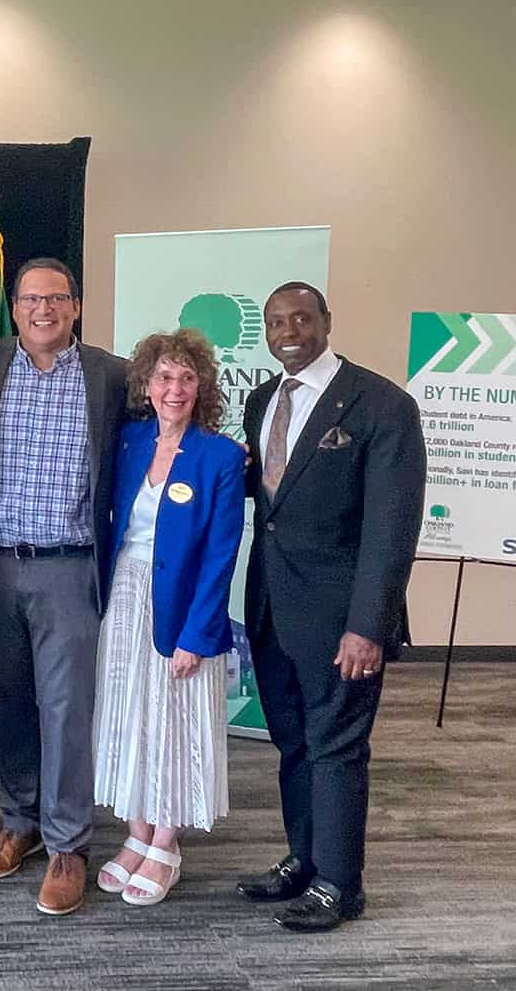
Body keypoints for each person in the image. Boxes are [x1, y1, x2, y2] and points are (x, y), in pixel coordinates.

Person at [236, 281, 426, 932]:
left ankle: (340, 883)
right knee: (294, 743)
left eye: (300, 317)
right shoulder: (262, 400)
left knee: (337, 747)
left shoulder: (381, 405)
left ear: (325, 322)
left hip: (342, 621)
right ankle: (306, 859)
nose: (288, 329)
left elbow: (391, 529)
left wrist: (367, 627)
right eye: (275, 321)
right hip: (271, 608)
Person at [0, 256, 127, 916]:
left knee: (66, 710)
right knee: (10, 701)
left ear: (76, 306)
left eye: (56, 299)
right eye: (30, 299)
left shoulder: (111, 376)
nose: (43, 310)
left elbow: (160, 433)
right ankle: (19, 820)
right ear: (15, 307)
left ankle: (67, 844)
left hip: (68, 566)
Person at [92, 330, 245, 906]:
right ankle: (135, 834)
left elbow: (220, 555)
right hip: (125, 600)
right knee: (130, 715)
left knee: (173, 723)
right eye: (164, 377)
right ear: (147, 386)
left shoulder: (221, 457)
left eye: (186, 378)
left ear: (201, 385)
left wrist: (198, 636)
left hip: (180, 610)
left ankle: (165, 843)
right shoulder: (130, 442)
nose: (174, 388)